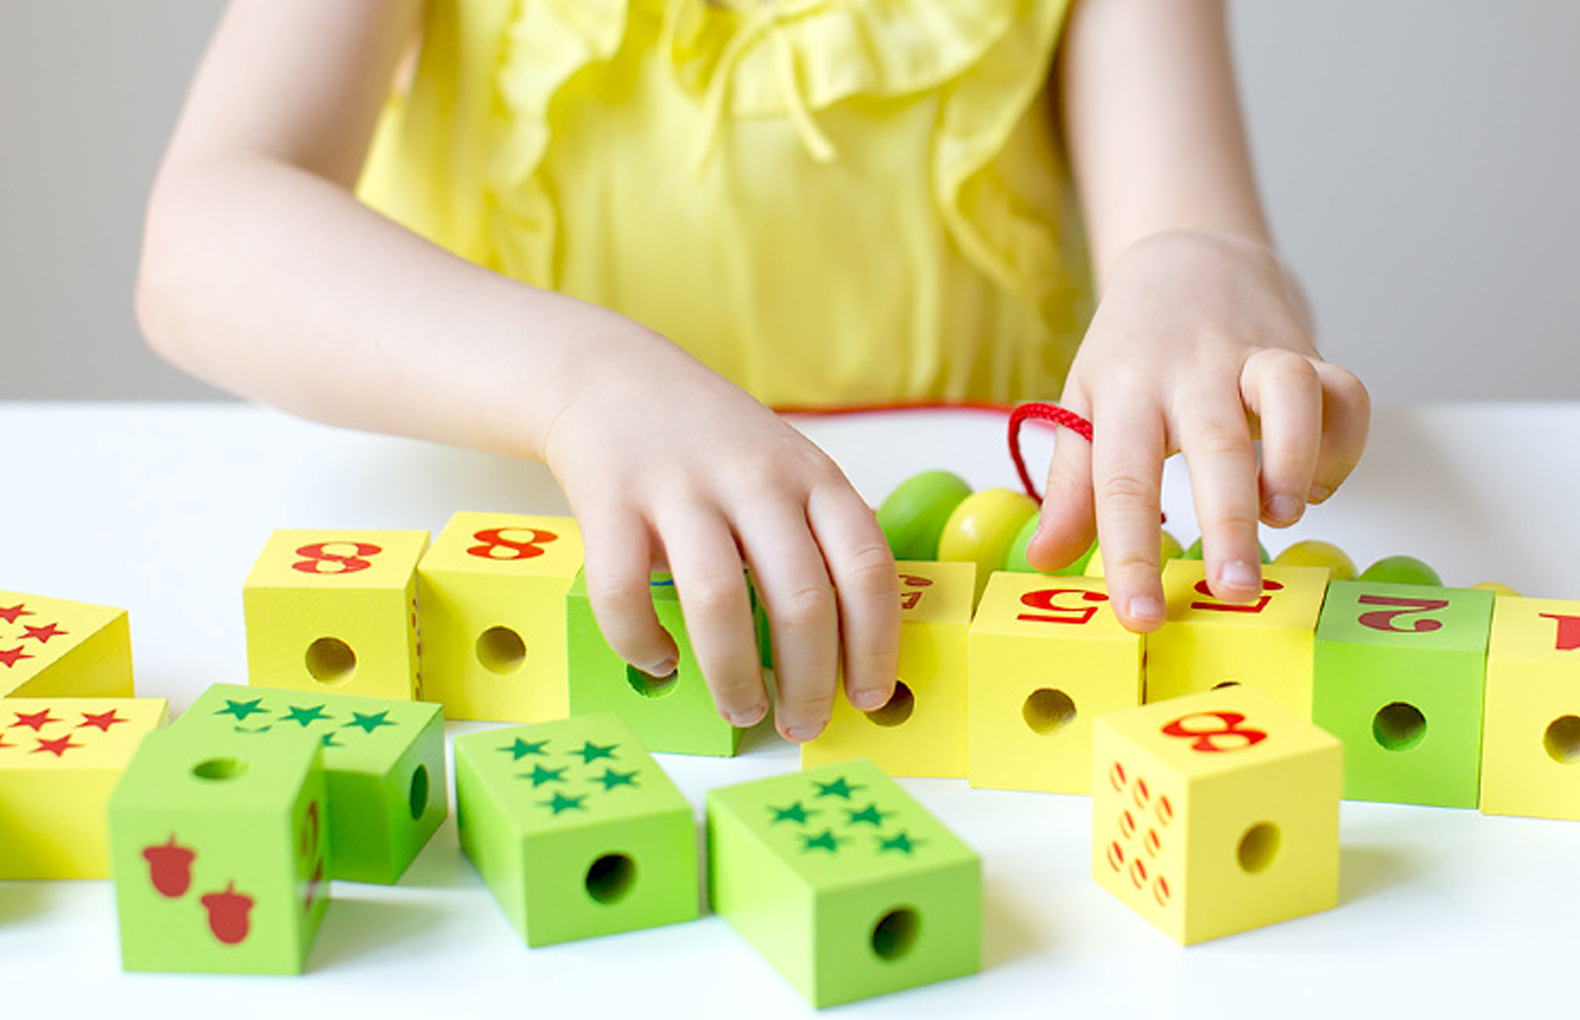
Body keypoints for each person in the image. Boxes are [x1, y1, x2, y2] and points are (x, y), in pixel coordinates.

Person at [135, 0, 1369, 745]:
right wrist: (585, 382)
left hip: (955, 636)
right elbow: (202, 232)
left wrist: (1205, 275)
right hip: (525, 594)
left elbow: (1191, 233)